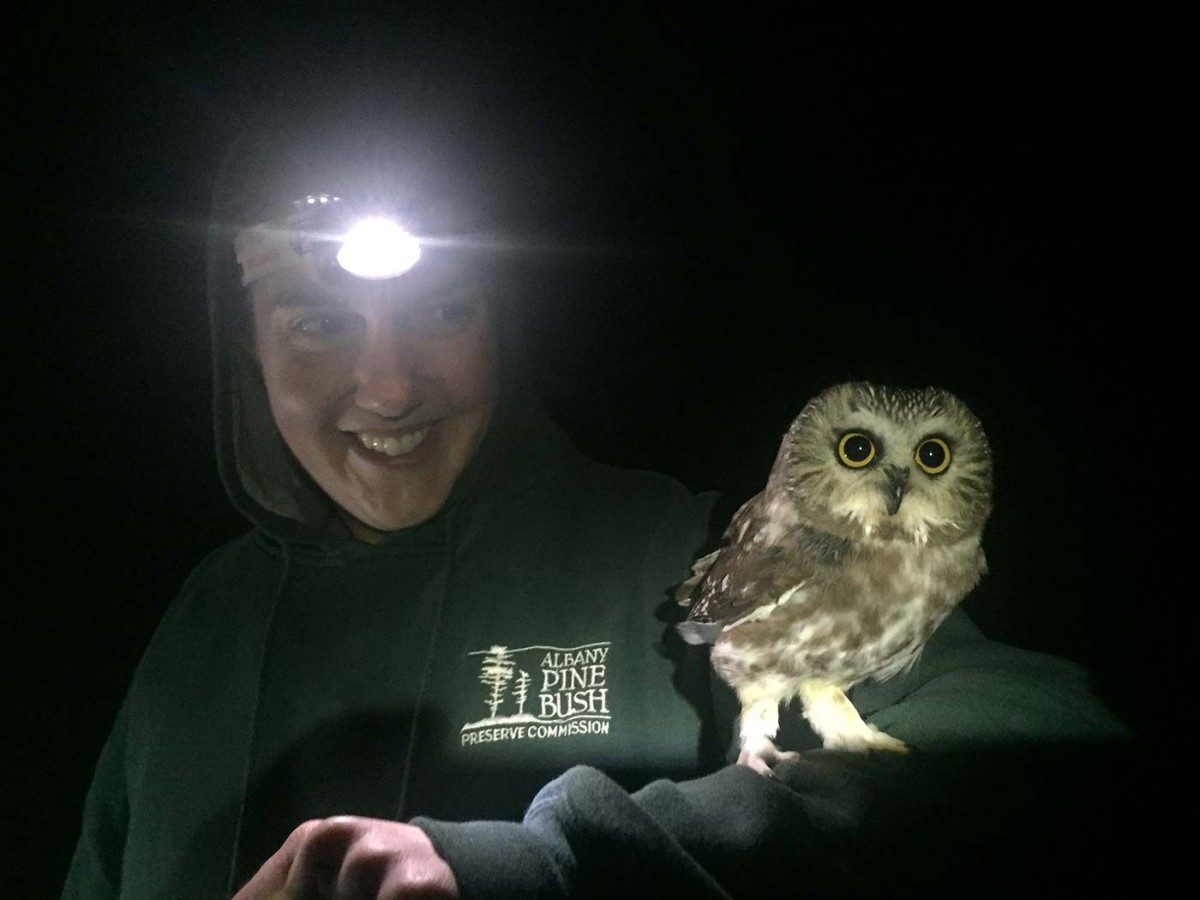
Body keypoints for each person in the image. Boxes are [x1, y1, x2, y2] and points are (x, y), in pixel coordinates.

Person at [62, 95, 1141, 900]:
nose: (390, 385)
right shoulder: (200, 628)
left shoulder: (672, 548)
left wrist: (535, 865)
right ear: (244, 347)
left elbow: (1042, 731)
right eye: (317, 322)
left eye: (444, 310)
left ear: (503, 321)